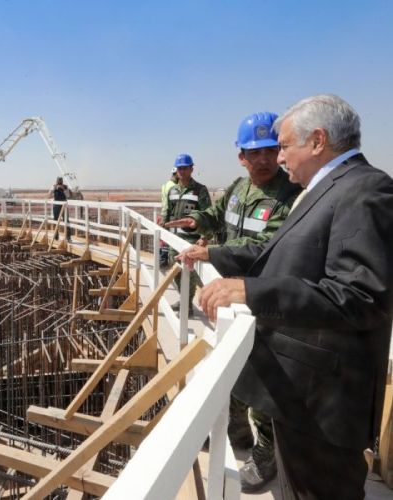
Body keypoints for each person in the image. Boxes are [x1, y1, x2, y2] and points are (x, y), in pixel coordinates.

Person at [179, 94, 393, 499]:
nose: (277, 159)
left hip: (325, 399)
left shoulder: (366, 190)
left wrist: (252, 289)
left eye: (283, 146)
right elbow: (280, 251)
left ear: (316, 141)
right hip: (306, 392)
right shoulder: (325, 189)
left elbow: (360, 296)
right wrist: (217, 255)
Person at [167, 112, 302, 492]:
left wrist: (212, 254)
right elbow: (214, 216)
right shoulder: (238, 190)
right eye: (253, 152)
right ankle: (236, 431)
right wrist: (195, 221)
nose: (261, 159)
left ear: (279, 152)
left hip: (264, 303)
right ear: (241, 156)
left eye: (269, 150)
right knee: (232, 369)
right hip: (228, 299)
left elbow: (266, 246)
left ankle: (266, 454)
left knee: (265, 381)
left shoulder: (292, 195)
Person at [162, 154, 211, 313]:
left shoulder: (200, 190)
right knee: (176, 271)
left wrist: (204, 237)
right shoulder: (173, 190)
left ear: (191, 169)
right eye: (179, 168)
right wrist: (163, 231)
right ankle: (185, 302)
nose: (182, 171)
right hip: (174, 239)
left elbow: (207, 215)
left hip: (191, 240)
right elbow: (168, 213)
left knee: (191, 275)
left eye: (185, 168)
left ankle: (192, 304)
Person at [158, 167, 179, 267]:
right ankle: (165, 260)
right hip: (170, 215)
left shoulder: (165, 185)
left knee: (163, 239)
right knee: (169, 239)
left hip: (163, 214)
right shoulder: (174, 187)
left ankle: (161, 259)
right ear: (176, 174)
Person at [50, 177, 71, 241]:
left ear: (62, 181)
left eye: (60, 181)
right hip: (56, 206)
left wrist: (64, 189)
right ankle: (56, 236)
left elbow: (68, 196)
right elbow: (49, 195)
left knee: (66, 221)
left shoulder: (65, 187)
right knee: (55, 221)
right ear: (56, 181)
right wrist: (54, 189)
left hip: (64, 206)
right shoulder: (54, 186)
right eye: (58, 181)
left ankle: (68, 237)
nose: (59, 182)